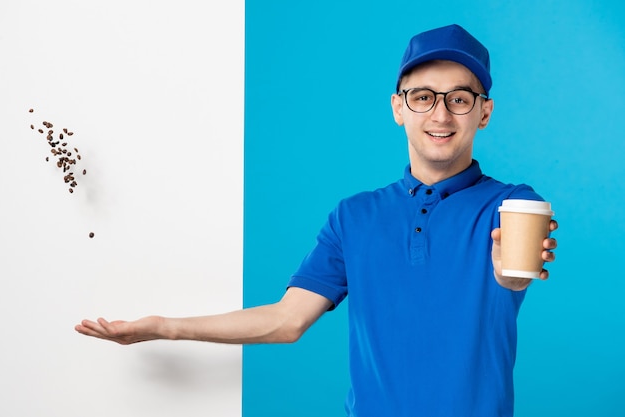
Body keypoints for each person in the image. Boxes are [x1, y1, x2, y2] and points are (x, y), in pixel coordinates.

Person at [76, 24, 558, 417]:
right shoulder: (355, 216)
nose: (441, 113)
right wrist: (164, 326)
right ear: (398, 108)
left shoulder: (512, 205)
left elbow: (513, 272)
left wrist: (510, 275)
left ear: (484, 112)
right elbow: (287, 320)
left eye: (460, 98)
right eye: (423, 96)